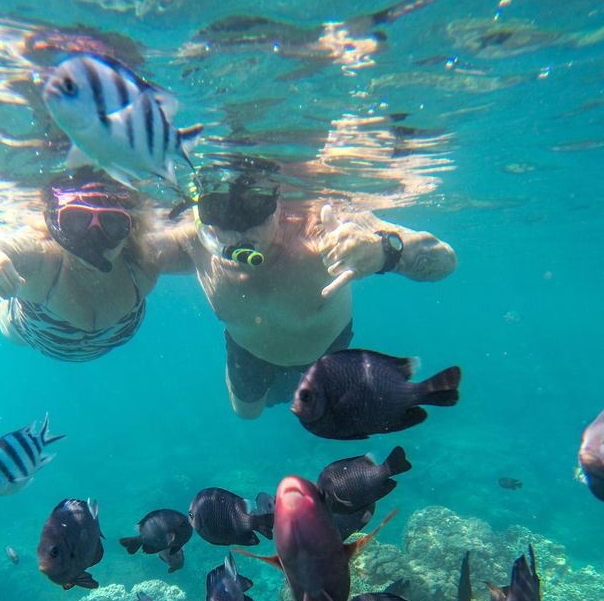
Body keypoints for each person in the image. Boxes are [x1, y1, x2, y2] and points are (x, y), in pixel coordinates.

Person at [162, 170, 457, 418]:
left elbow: (445, 261)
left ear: (278, 203)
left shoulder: (322, 225)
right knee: (246, 414)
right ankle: (280, 385)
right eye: (219, 211)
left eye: (255, 207)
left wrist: (384, 253)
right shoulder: (191, 243)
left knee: (324, 409)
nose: (238, 233)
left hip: (325, 348)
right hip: (249, 350)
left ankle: (291, 384)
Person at [0, 169, 165, 362]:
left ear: (130, 226)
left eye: (112, 223)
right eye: (76, 221)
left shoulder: (147, 254)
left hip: (78, 339)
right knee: (6, 281)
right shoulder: (38, 258)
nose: (94, 238)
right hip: (22, 330)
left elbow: (195, 238)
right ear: (55, 225)